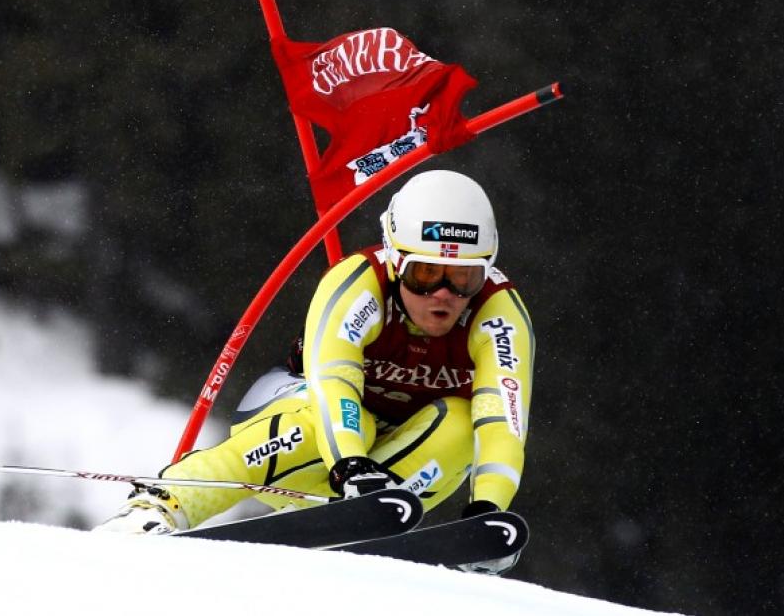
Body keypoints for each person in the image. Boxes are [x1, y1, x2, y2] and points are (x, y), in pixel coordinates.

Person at [95, 170, 534, 573]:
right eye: (426, 273)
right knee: (352, 418)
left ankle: (352, 523)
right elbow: (335, 382)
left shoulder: (499, 314)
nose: (444, 294)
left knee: (461, 422)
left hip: (391, 452)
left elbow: (502, 421)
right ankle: (159, 505)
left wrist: (488, 510)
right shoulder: (360, 285)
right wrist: (349, 463)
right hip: (306, 413)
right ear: (397, 260)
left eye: (464, 278)